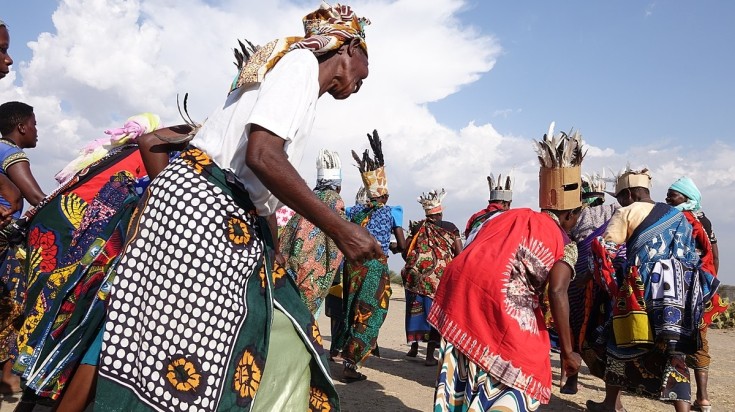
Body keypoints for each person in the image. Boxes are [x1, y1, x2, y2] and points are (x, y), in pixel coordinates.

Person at [95, 4, 379, 411]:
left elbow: (258, 180)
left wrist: (274, 244)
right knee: (194, 351)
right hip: (208, 209)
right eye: (367, 67)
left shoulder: (287, 75)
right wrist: (341, 229)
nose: (362, 83)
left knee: (263, 327)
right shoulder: (299, 64)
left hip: (215, 208)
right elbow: (263, 156)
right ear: (350, 48)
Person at [429, 124, 584, 411]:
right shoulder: (565, 242)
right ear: (571, 214)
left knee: (463, 376)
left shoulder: (506, 217)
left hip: (460, 292)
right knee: (528, 364)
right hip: (498, 298)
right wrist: (567, 351)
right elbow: (558, 291)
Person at [586, 169, 719, 412]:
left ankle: (610, 405)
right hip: (677, 291)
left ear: (628, 194)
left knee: (620, 341)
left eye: (620, 197)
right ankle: (683, 409)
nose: (619, 202)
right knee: (674, 351)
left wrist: (611, 285)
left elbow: (605, 253)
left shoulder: (626, 212)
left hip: (640, 287)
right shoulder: (677, 215)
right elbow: (690, 255)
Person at [336, 129, 406, 382]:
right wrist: (395, 247)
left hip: (353, 267)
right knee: (371, 312)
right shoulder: (389, 213)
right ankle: (351, 364)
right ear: (384, 193)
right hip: (375, 268)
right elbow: (402, 245)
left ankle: (346, 354)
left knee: (353, 308)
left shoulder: (355, 211)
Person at [666, 176, 727, 412]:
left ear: (686, 197)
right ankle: (703, 399)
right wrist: (709, 283)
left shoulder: (677, 218)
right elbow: (715, 254)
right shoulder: (704, 220)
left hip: (681, 288)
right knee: (700, 341)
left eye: (673, 194)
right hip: (703, 288)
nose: (667, 197)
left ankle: (683, 400)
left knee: (676, 340)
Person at [0, 101, 45, 396]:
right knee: (15, 304)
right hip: (4, 244)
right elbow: (36, 197)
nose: (36, 130)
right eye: (34, 123)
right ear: (21, 127)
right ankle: (9, 378)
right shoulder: (10, 153)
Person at [562, 171, 620, 394]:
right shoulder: (615, 210)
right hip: (609, 279)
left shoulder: (577, 215)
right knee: (608, 332)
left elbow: (568, 241)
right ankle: (612, 394)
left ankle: (572, 380)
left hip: (581, 281)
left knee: (576, 328)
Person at [279, 149, 346, 315]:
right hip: (312, 274)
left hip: (291, 267)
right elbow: (337, 236)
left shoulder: (309, 196)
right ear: (338, 186)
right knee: (306, 319)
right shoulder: (334, 200)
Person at [402, 189, 462, 367]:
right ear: (440, 213)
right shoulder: (450, 228)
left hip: (414, 277)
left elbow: (406, 252)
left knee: (415, 311)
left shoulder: (417, 226)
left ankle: (413, 346)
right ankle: (429, 355)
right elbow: (459, 253)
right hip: (437, 280)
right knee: (433, 315)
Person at [464, 173, 512, 238]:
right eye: (509, 204)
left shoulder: (476, 217)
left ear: (490, 202)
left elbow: (468, 237)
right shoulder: (509, 217)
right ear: (506, 204)